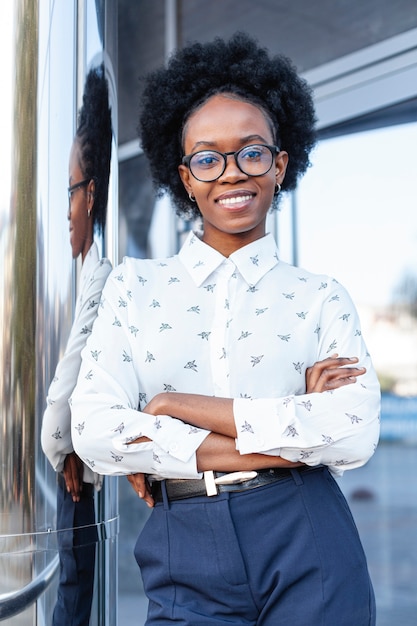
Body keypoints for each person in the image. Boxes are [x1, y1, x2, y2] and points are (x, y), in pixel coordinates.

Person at [71, 33, 380, 625]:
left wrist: (172, 407)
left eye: (253, 152)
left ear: (280, 164)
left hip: (308, 534)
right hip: (183, 541)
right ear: (185, 176)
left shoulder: (319, 298)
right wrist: (295, 430)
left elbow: (355, 432)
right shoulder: (133, 288)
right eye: (207, 158)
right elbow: (94, 429)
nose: (232, 173)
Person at [41, 64, 112, 626]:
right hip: (77, 463)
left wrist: (59, 443)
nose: (63, 211)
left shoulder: (103, 272)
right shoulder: (88, 269)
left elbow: (75, 364)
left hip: (78, 470)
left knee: (72, 592)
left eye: (67, 192)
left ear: (90, 194)